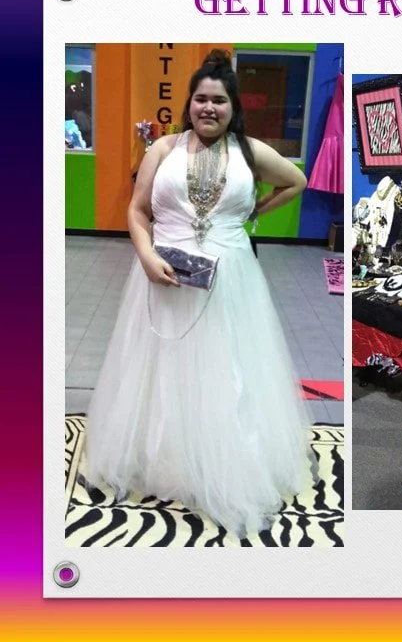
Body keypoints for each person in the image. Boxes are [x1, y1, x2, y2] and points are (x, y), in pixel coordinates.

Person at [84, 50, 312, 535]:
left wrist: (255, 213)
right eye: (201, 99)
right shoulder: (162, 149)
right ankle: (167, 457)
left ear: (233, 107)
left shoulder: (249, 151)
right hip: (163, 275)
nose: (209, 108)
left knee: (227, 369)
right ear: (189, 103)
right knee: (161, 367)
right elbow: (137, 211)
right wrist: (146, 255)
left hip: (231, 281)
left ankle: (224, 459)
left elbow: (297, 180)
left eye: (220, 101)